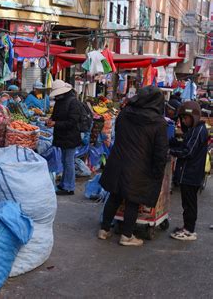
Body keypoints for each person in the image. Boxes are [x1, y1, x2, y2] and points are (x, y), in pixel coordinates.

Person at [98, 86, 168, 246]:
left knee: (114, 196)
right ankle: (127, 235)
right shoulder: (158, 123)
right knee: (132, 200)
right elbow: (160, 151)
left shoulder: (125, 113)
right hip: (139, 166)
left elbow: (119, 132)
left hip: (118, 160)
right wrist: (158, 171)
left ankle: (104, 229)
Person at [169, 101, 208, 241]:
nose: (184, 121)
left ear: (194, 116)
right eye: (183, 118)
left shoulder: (198, 130)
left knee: (189, 204)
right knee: (187, 203)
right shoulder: (195, 130)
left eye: (186, 118)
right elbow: (186, 145)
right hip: (190, 174)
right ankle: (187, 227)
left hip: (191, 174)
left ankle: (189, 230)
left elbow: (188, 152)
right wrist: (175, 144)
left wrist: (171, 151)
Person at [46, 79, 81, 196]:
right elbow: (56, 116)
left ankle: (69, 187)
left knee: (68, 162)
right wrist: (51, 120)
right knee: (65, 161)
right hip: (63, 136)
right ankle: (64, 184)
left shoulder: (73, 102)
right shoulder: (60, 101)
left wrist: (55, 123)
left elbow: (72, 122)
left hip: (70, 136)